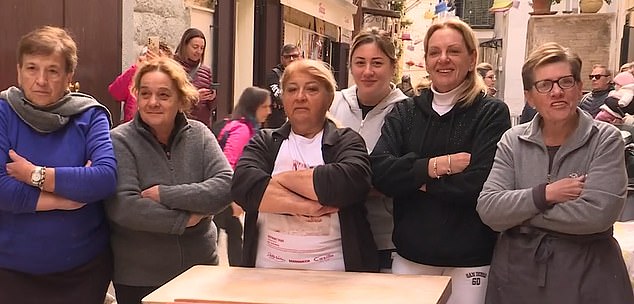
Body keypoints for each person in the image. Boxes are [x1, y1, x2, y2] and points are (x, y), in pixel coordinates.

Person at [477, 42, 633, 303]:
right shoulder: (513, 141)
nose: (557, 92)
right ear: (529, 96)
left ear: (579, 88)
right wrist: (545, 194)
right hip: (517, 276)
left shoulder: (605, 138)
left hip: (589, 275)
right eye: (545, 85)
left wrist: (519, 214)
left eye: (566, 82)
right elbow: (489, 209)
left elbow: (598, 214)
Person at [370, 19, 511, 304]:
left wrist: (412, 181)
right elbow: (380, 172)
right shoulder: (404, 112)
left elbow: (479, 185)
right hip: (411, 257)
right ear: (426, 60)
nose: (443, 59)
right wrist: (436, 167)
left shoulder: (491, 113)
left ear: (472, 59)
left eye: (453, 51)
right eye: (435, 52)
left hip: (471, 259)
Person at [0, 26, 117, 303]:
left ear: (68, 77)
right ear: (18, 71)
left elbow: (103, 178)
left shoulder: (90, 116)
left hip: (83, 270)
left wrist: (33, 175)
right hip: (10, 271)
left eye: (52, 71)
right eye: (31, 68)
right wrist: (64, 200)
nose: (41, 80)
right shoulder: (3, 111)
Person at [231, 59, 378, 272]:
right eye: (292, 89)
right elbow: (244, 187)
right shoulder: (265, 140)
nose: (300, 97)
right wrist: (307, 207)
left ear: (328, 99)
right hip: (268, 273)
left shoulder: (346, 140)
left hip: (336, 275)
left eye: (311, 89)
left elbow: (350, 182)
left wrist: (277, 181)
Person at [106, 58, 233, 304]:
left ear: (180, 99)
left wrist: (165, 194)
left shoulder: (200, 135)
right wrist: (187, 219)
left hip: (201, 271)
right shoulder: (119, 140)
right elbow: (126, 207)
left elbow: (226, 185)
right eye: (145, 94)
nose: (153, 102)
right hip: (140, 278)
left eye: (164, 95)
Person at [329, 27, 408, 272]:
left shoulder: (407, 111)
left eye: (377, 63)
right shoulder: (331, 103)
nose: (367, 71)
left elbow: (403, 173)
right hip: (333, 234)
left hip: (386, 236)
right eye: (360, 62)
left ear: (392, 66)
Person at [214, 86, 271, 266]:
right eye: (265, 107)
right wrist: (233, 198)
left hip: (222, 190)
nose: (269, 111)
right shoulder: (242, 130)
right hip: (222, 190)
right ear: (254, 106)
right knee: (224, 230)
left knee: (232, 231)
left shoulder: (239, 125)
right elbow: (228, 162)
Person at [109, 41, 173, 123]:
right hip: (133, 129)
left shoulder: (171, 77)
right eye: (147, 55)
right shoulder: (135, 74)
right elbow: (115, 93)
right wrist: (135, 69)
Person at [175, 28, 216, 127]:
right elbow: (171, 98)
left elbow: (211, 107)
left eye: (202, 48)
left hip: (201, 124)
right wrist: (195, 97)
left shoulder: (206, 70)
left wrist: (212, 98)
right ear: (185, 45)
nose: (199, 51)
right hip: (179, 124)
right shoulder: (173, 67)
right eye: (195, 47)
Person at [263, 43, 302, 128]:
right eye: (287, 57)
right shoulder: (274, 75)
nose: (291, 59)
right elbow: (279, 97)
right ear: (282, 59)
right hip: (278, 123)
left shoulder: (305, 74)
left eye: (294, 56)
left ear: (300, 57)